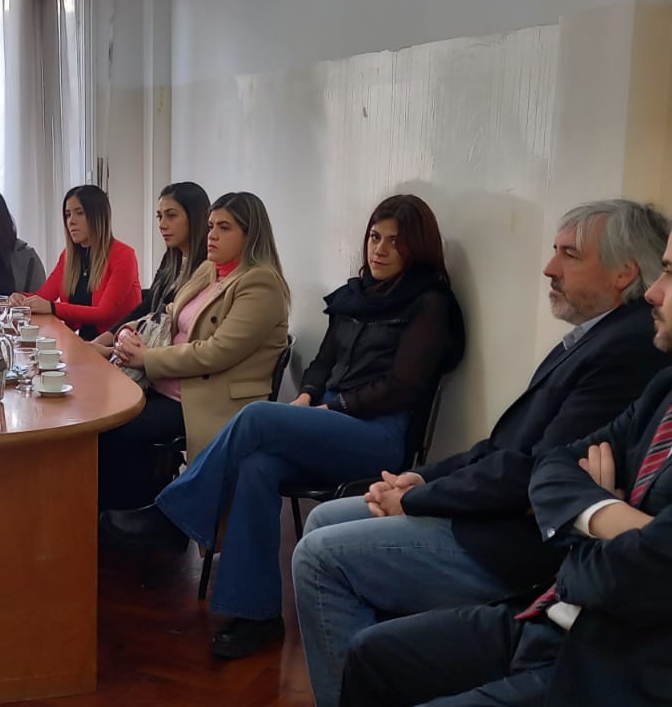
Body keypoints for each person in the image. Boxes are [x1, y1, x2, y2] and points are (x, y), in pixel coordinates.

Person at [342, 190, 672, 707]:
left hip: (631, 672)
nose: (652, 292)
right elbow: (552, 467)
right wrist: (614, 517)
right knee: (373, 654)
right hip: (556, 624)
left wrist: (591, 527)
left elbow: (630, 580)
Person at [291, 200, 672, 706]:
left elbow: (533, 473)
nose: (549, 267)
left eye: (569, 255)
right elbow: (500, 447)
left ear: (623, 272)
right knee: (324, 519)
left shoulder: (628, 347)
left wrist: (416, 500)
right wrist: (422, 480)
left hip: (515, 544)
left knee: (319, 557)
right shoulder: (594, 338)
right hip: (493, 515)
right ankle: (377, 673)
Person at [102, 194, 466, 659]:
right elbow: (322, 363)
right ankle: (256, 615)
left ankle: (174, 515)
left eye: (395, 242)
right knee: (258, 466)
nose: (379, 249)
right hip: (331, 418)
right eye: (375, 237)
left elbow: (403, 387)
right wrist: (308, 396)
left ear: (417, 248)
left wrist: (334, 408)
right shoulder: (357, 295)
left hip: (378, 436)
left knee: (255, 416)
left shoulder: (429, 303)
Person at [96, 191, 290, 510]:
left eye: (224, 228)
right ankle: (126, 511)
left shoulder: (261, 284)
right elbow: (167, 312)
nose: (211, 235)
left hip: (206, 399)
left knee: (113, 429)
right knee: (104, 416)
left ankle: (130, 517)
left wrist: (146, 358)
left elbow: (216, 352)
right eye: (211, 225)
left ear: (250, 234)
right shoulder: (210, 271)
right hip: (168, 386)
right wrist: (129, 330)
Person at [89, 181, 212, 360]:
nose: (162, 224)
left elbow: (173, 332)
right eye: (159, 216)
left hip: (166, 360)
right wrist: (101, 341)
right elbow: (146, 308)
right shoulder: (171, 258)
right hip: (143, 350)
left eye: (171, 216)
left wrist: (110, 351)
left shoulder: (207, 268)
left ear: (195, 218)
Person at [10, 184, 141, 340]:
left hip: (115, 345)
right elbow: (44, 297)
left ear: (98, 216)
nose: (71, 221)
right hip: (81, 341)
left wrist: (52, 308)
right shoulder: (68, 256)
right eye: (67, 215)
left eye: (80, 213)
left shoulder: (124, 255)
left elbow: (103, 313)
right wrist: (20, 298)